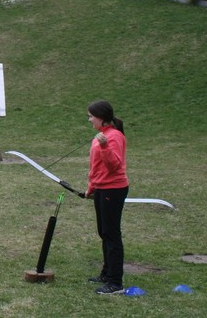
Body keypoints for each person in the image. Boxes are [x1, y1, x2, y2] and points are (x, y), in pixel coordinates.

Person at [85, 100, 129, 295]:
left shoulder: (114, 136)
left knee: (111, 234)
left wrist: (104, 146)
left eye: (91, 116)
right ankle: (106, 273)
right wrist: (92, 187)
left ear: (101, 117)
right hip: (102, 188)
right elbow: (97, 166)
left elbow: (114, 166)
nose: (89, 120)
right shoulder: (101, 136)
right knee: (104, 232)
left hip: (114, 189)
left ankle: (115, 283)